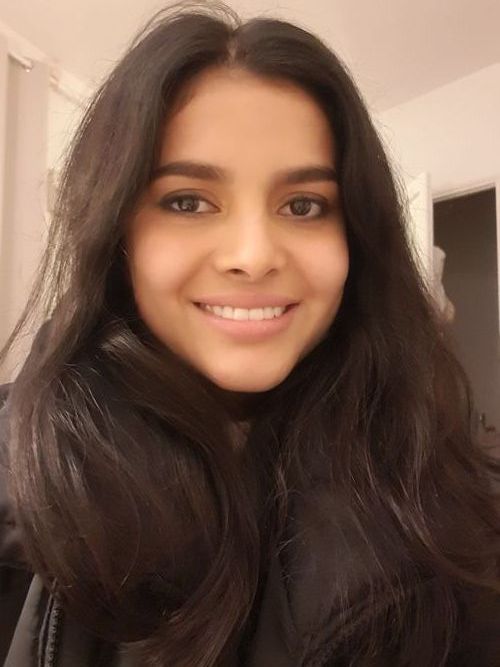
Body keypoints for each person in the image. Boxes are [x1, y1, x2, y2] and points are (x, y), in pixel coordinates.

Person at [1, 2, 500, 665]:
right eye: (187, 201)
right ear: (117, 233)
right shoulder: (19, 478)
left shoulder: (448, 501)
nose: (254, 254)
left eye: (304, 205)